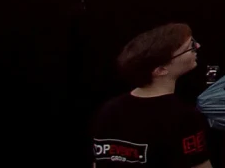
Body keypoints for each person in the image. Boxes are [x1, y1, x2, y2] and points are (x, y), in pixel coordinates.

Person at [88, 23, 209, 167]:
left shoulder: (108, 110)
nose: (198, 46)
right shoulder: (184, 117)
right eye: (191, 47)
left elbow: (97, 164)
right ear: (161, 70)